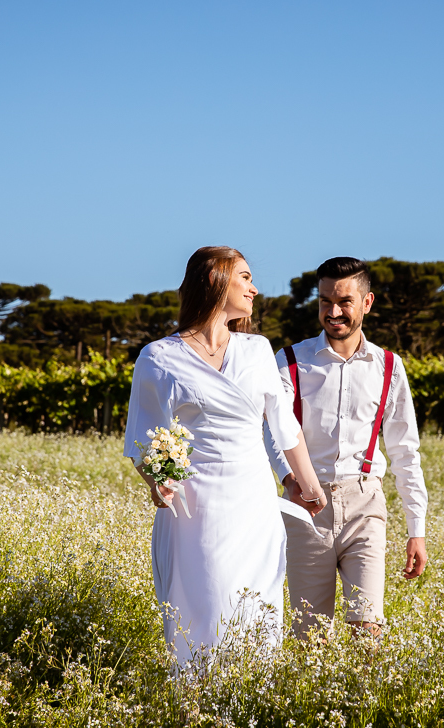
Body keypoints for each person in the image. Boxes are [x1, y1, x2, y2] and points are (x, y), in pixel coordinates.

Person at [123, 246, 326, 667]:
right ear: (216, 281)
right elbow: (143, 437)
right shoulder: (158, 358)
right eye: (245, 278)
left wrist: (308, 484)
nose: (255, 289)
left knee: (256, 616)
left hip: (254, 507)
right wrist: (157, 482)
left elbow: (284, 427)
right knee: (206, 610)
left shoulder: (256, 350)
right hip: (197, 509)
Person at [266, 257, 429, 638]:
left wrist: (416, 530)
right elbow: (272, 431)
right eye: (325, 301)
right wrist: (291, 481)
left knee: (368, 627)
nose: (333, 312)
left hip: (365, 503)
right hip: (306, 504)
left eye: (344, 302)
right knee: (309, 633)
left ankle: (366, 698)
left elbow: (406, 451)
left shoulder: (389, 366)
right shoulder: (290, 361)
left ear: (367, 302)